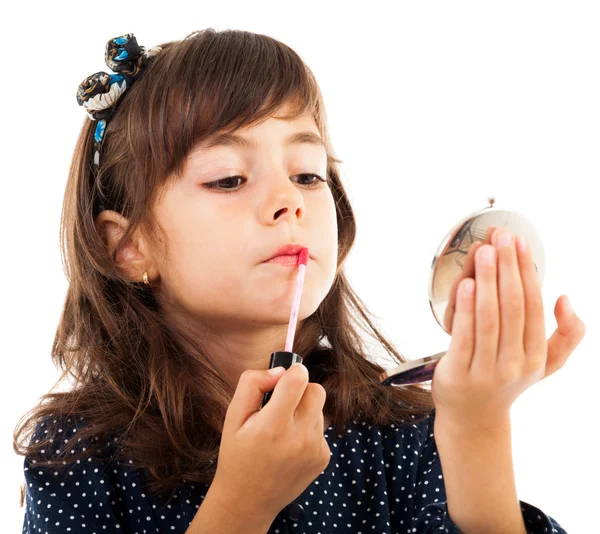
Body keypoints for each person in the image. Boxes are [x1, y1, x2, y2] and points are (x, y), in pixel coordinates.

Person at [14, 30, 585, 534]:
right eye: (230, 178)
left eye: (309, 174)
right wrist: (241, 506)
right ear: (127, 246)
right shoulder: (75, 457)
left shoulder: (399, 436)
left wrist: (476, 428)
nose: (290, 200)